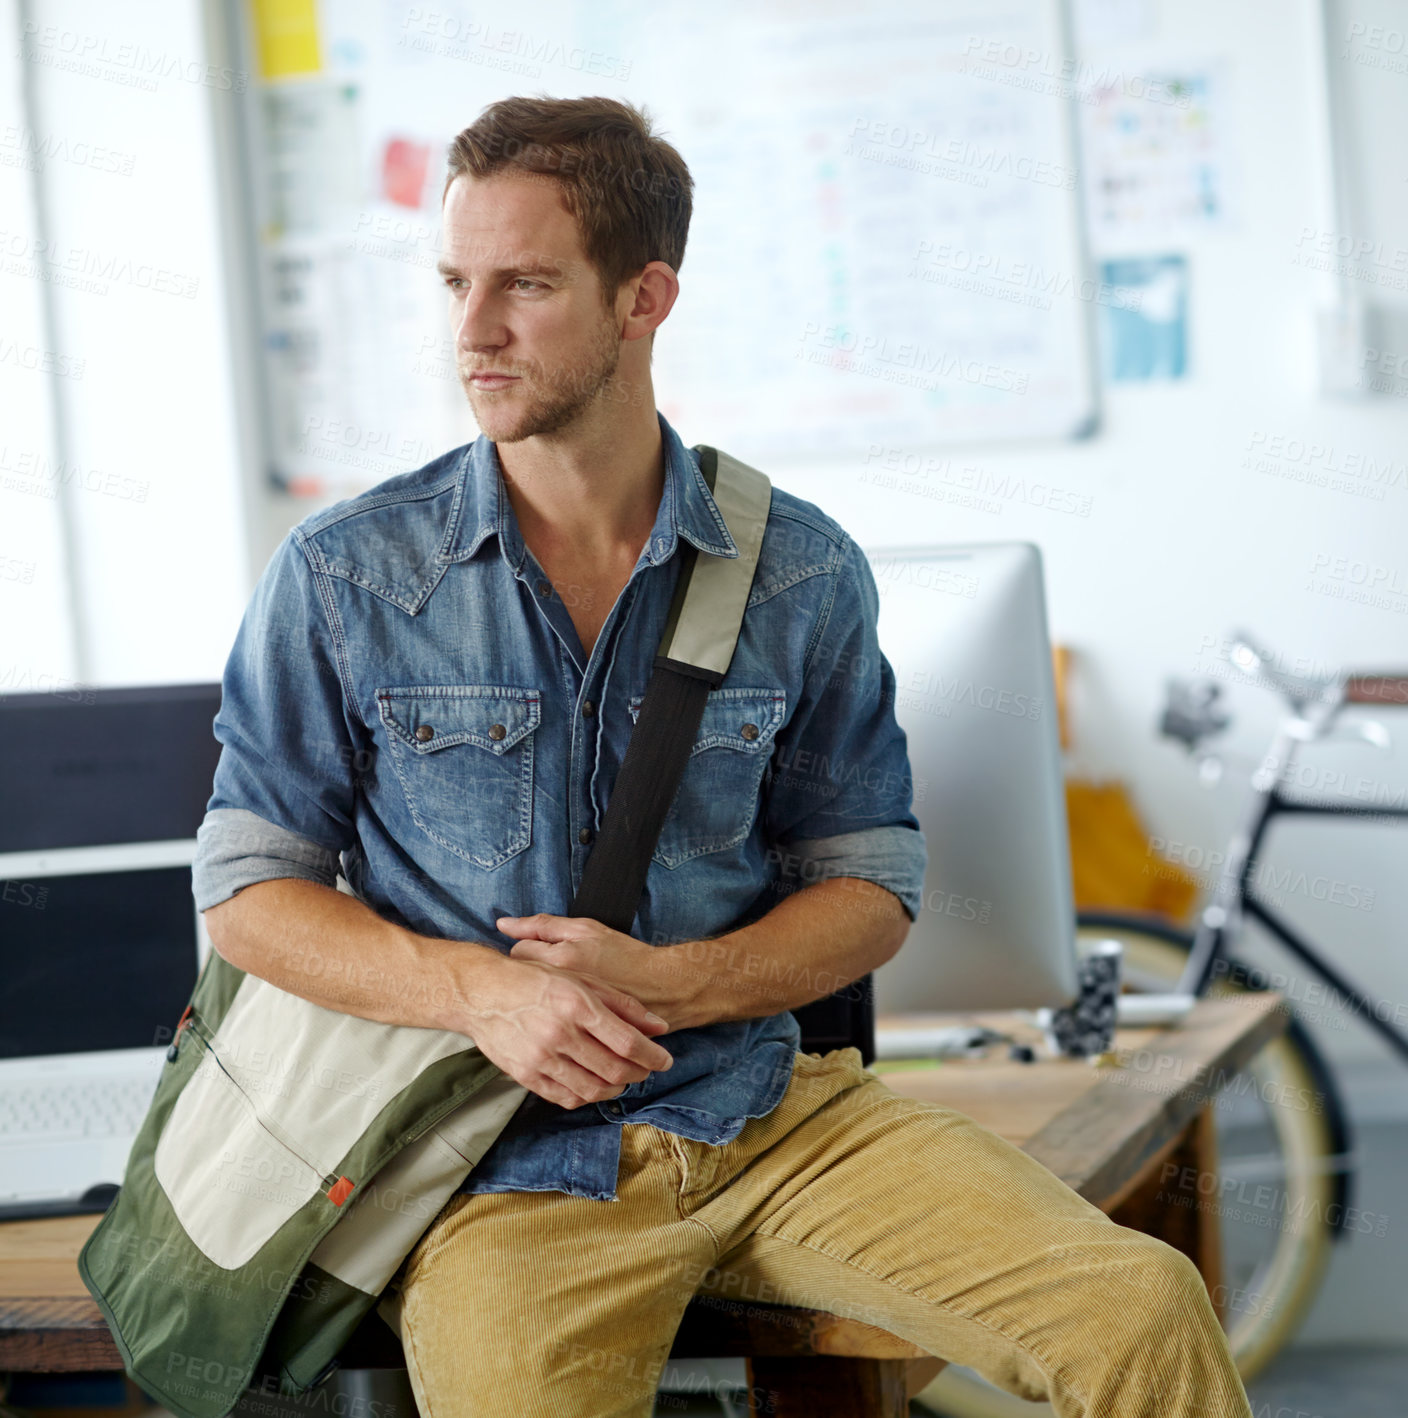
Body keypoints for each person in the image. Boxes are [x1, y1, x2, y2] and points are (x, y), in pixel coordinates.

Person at [194, 95, 1254, 1418]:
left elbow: (871, 885)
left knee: (1142, 1308)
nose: (472, 330)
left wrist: (687, 984)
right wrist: (482, 994)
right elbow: (246, 892)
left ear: (645, 297)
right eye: (457, 282)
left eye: (525, 284)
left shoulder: (799, 570)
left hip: (775, 1118)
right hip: (503, 1171)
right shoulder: (347, 574)